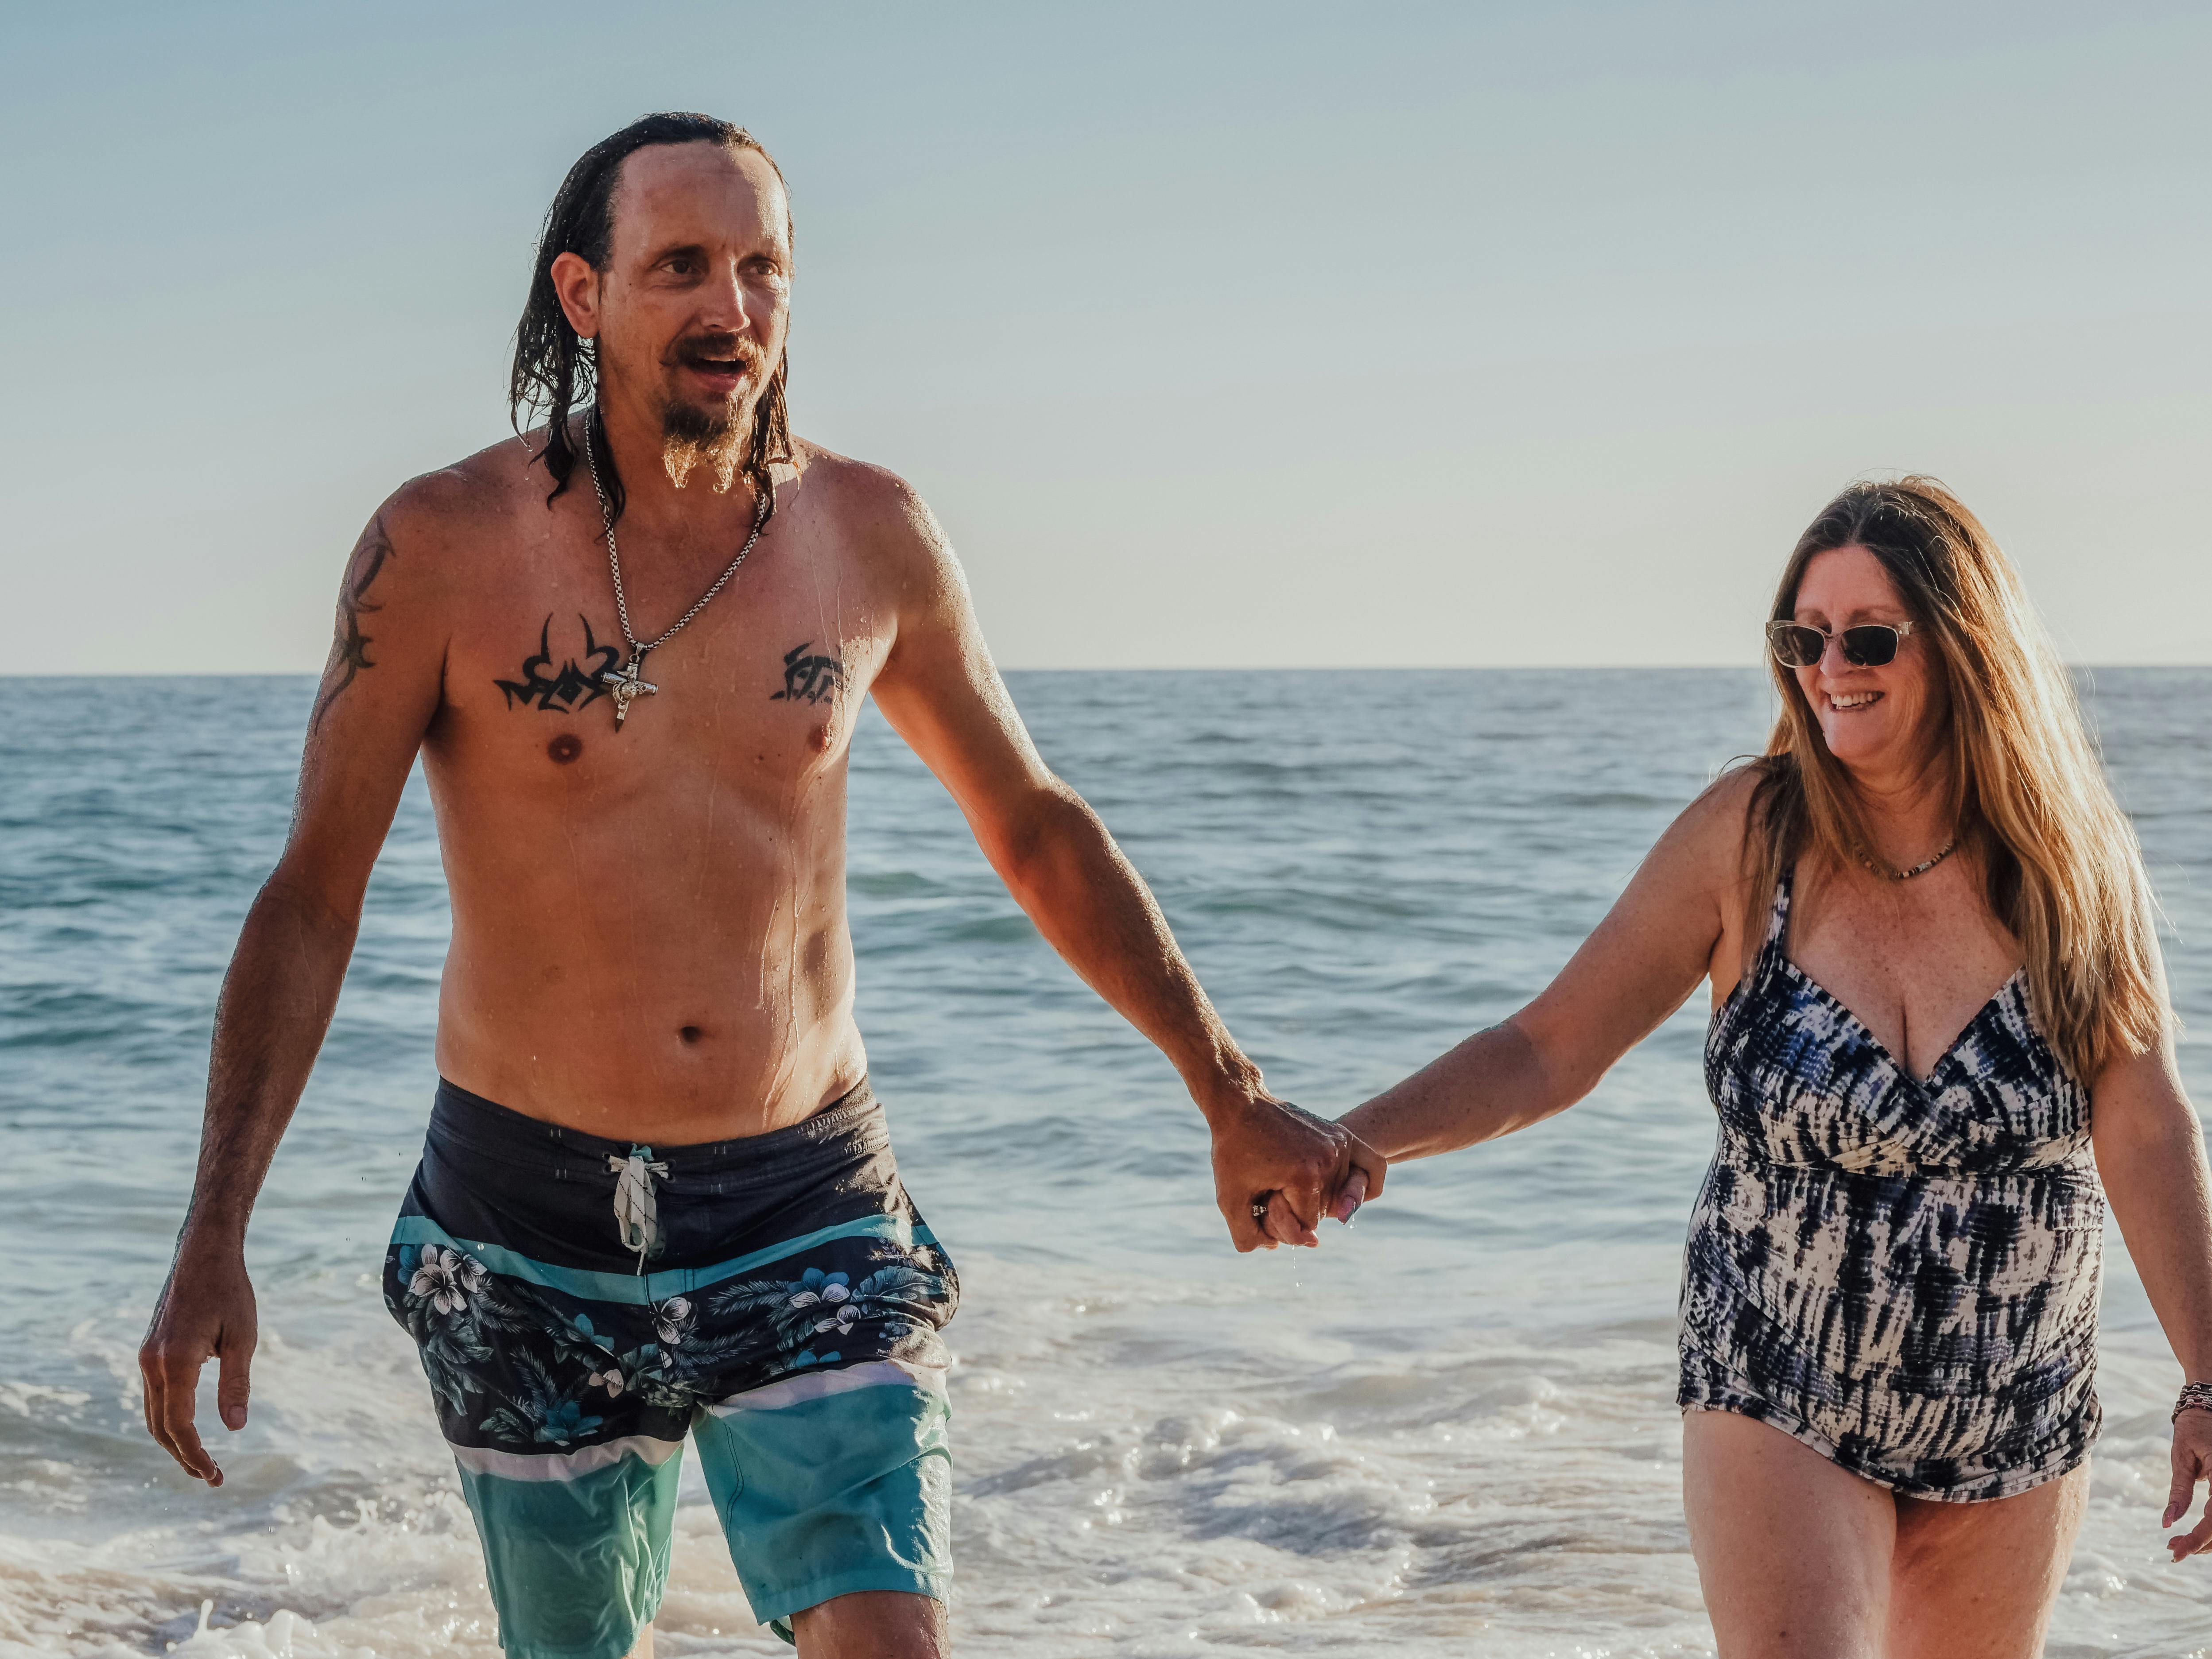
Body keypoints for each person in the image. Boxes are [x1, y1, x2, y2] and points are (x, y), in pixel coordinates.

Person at [137, 112, 1379, 1659]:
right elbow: (313, 896)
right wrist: (214, 1231)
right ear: (584, 296)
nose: (732, 305)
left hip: (805, 1199)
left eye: (762, 266)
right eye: (682, 267)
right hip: (523, 1226)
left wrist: (1225, 1086)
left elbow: (1035, 824)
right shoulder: (441, 546)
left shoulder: (869, 535)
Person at [1335, 477, 2212, 1657]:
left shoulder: (2069, 864)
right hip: (1775, 1368)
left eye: (1864, 636)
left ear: (1960, 646)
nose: (1825, 665)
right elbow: (1548, 1045)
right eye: (1800, 636)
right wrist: (1352, 1138)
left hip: (2013, 1400)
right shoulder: (1749, 836)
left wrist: (2206, 1377)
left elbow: (2147, 1129)